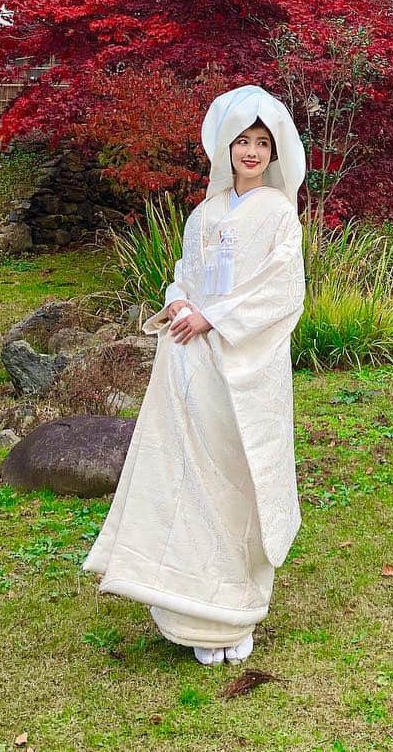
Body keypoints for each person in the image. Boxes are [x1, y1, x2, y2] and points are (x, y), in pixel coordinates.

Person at [82, 85, 307, 666]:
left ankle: (233, 610)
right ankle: (186, 609)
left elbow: (283, 291)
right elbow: (186, 274)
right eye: (242, 141)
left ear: (275, 151)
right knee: (186, 476)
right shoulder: (205, 213)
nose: (252, 152)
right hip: (190, 362)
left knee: (236, 475)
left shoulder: (280, 215)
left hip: (244, 367)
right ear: (225, 146)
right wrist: (182, 304)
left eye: (262, 143)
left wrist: (216, 317)